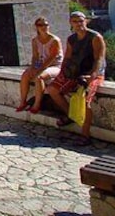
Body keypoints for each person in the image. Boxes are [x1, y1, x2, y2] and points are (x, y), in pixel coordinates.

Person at [46, 11, 107, 144]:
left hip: (93, 73)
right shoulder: (71, 39)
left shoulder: (95, 37)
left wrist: (93, 75)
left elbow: (99, 59)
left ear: (86, 21)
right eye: (75, 21)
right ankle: (71, 115)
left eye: (81, 21)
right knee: (52, 89)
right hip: (76, 72)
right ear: (71, 23)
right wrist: (62, 73)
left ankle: (85, 135)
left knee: (85, 102)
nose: (79, 24)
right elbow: (67, 58)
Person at [16, 17, 63, 114]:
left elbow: (52, 58)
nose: (43, 27)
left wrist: (40, 70)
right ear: (36, 27)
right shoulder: (35, 40)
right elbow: (35, 56)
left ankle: (37, 104)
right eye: (40, 25)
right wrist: (33, 67)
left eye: (45, 25)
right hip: (42, 65)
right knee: (25, 75)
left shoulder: (54, 40)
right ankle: (22, 102)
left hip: (55, 66)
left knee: (39, 77)